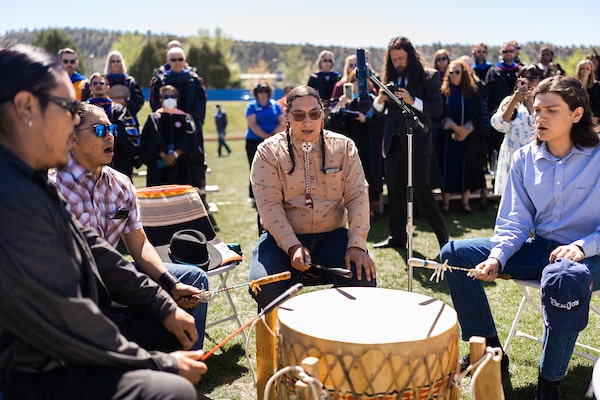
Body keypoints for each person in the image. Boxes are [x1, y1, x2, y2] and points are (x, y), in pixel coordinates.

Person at [0, 43, 206, 400]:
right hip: (28, 372)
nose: (72, 122)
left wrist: (163, 303)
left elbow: (95, 249)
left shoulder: (29, 179)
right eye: (67, 109)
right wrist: (160, 365)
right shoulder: (11, 195)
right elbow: (64, 314)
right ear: (26, 108)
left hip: (56, 351)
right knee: (173, 391)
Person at [439, 75, 600, 399]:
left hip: (591, 257)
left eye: (551, 110)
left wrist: (582, 247)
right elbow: (514, 220)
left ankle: (549, 382)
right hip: (541, 249)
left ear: (577, 114)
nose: (540, 118)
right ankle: (488, 349)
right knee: (455, 252)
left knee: (563, 277)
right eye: (537, 110)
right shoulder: (524, 158)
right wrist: (497, 256)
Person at [50, 101, 209, 350]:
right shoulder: (52, 185)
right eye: (100, 130)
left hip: (115, 275)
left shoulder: (122, 184)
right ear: (72, 138)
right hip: (72, 286)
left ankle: (189, 363)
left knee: (192, 277)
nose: (110, 136)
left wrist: (171, 283)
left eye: (111, 129)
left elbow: (139, 244)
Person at [248, 85, 377, 309]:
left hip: (333, 235)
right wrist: (292, 246)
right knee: (265, 287)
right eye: (298, 115)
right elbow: (269, 207)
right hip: (282, 240)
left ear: (323, 115)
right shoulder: (267, 152)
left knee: (363, 280)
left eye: (314, 114)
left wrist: (356, 244)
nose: (307, 122)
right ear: (286, 116)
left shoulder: (344, 147)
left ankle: (339, 336)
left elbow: (358, 196)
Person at [372, 36, 449, 250]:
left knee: (421, 190)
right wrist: (380, 99)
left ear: (411, 56)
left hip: (417, 142)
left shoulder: (429, 76)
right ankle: (396, 237)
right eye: (394, 59)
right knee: (394, 191)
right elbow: (377, 112)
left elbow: (436, 109)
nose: (398, 62)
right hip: (393, 143)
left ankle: (443, 237)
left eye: (401, 58)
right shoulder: (388, 78)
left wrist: (412, 100)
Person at [328, 68, 384, 218]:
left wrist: (367, 119)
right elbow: (333, 125)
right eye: (354, 80)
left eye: (361, 81)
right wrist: (341, 107)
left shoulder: (374, 100)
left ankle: (370, 209)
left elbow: (382, 124)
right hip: (351, 147)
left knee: (372, 178)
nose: (358, 84)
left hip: (370, 146)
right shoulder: (345, 101)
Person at [150, 47, 207, 190]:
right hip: (166, 129)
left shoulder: (194, 80)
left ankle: (198, 198)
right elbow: (155, 103)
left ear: (185, 61)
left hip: (190, 129)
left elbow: (200, 105)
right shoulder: (161, 80)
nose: (177, 63)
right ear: (168, 62)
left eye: (180, 59)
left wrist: (186, 120)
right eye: (173, 60)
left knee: (193, 163)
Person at [437, 60, 486, 215]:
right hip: (449, 138)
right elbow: (441, 115)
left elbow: (477, 115)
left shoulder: (472, 91)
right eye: (450, 72)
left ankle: (465, 203)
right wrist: (455, 128)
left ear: (463, 73)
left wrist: (466, 130)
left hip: (468, 138)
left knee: (467, 169)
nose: (453, 75)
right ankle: (445, 204)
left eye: (457, 72)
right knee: (449, 168)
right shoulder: (444, 92)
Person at [490, 64, 543, 196]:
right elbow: (500, 125)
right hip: (513, 157)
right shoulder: (510, 101)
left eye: (533, 78)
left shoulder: (544, 102)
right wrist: (515, 100)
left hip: (538, 158)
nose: (528, 83)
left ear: (539, 80)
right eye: (524, 79)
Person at [139, 85, 204, 188]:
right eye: (166, 97)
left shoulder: (186, 118)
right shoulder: (154, 118)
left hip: (182, 166)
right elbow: (149, 140)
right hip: (158, 167)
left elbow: (191, 140)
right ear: (160, 99)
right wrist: (164, 156)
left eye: (173, 96)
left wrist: (176, 154)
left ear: (177, 99)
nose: (170, 99)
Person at [87, 72, 140, 179]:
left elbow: (131, 136)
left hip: (117, 160)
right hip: (88, 160)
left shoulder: (119, 109)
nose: (98, 86)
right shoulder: (83, 109)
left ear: (108, 87)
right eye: (95, 83)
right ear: (90, 88)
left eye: (101, 83)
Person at [244, 80, 285, 204]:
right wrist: (265, 136)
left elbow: (282, 121)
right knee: (255, 167)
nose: (263, 93)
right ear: (256, 93)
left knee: (275, 168)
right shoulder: (252, 106)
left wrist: (272, 136)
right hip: (254, 141)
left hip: (273, 142)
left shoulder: (275, 105)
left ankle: (274, 193)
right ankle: (253, 195)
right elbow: (252, 124)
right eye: (260, 91)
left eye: (266, 90)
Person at [484, 41, 521, 176]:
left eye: (511, 51)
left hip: (519, 119)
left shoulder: (519, 70)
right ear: (501, 53)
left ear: (515, 52)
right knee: (497, 147)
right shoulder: (494, 71)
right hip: (500, 116)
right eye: (505, 51)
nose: (508, 54)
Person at [573, 59, 600, 124]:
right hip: (575, 118)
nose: (585, 70)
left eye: (588, 68)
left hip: (592, 119)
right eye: (582, 68)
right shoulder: (572, 85)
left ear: (591, 71)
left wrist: (596, 116)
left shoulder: (597, 86)